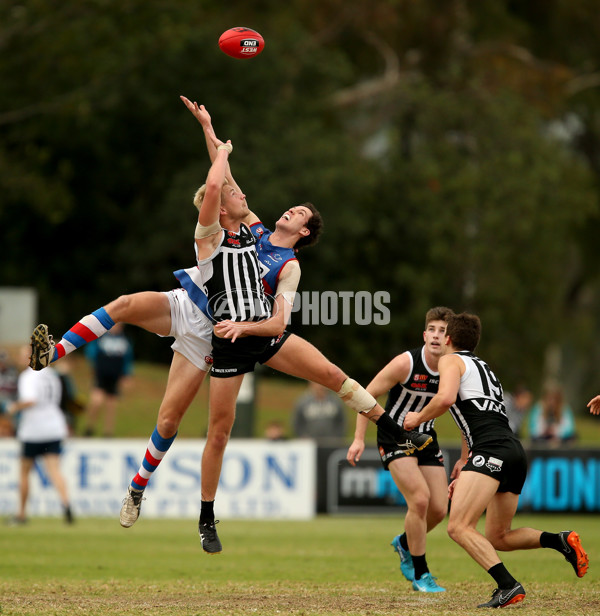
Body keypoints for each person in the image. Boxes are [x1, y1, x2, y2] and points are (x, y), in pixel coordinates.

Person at [177, 99, 433, 554]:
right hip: (230, 340)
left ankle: (394, 431)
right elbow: (223, 174)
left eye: (299, 214)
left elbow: (278, 321)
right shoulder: (251, 228)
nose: (290, 210)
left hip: (262, 334)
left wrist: (246, 327)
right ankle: (206, 517)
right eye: (292, 208)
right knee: (219, 430)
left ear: (305, 233)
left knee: (334, 376)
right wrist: (208, 127)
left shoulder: (289, 264)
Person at [403, 312, 589, 608]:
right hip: (512, 450)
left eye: (443, 333)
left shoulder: (450, 361)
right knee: (498, 536)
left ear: (449, 339)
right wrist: (466, 462)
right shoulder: (482, 366)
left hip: (492, 450)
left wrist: (417, 418)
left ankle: (508, 585)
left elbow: (446, 399)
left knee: (458, 527)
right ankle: (560, 540)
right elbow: (477, 412)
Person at [347, 306, 454, 593]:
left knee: (439, 509)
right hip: (394, 437)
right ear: (424, 334)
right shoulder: (406, 363)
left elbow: (464, 413)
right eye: (431, 329)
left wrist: (467, 457)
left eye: (442, 331)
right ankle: (421, 574)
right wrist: (359, 439)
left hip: (427, 439)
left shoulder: (454, 369)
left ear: (449, 339)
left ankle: (405, 543)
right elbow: (365, 396)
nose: (435, 335)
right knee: (419, 500)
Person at [5, 346, 74, 525]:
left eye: (23, 355)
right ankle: (66, 506)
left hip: (34, 429)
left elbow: (30, 400)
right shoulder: (51, 374)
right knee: (54, 470)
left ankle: (21, 514)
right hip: (54, 426)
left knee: (24, 471)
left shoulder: (29, 376)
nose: (21, 358)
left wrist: (14, 408)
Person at [82, 322, 134, 437]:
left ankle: (108, 432)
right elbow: (91, 352)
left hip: (115, 377)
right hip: (101, 375)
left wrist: (126, 375)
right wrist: (93, 367)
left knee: (111, 405)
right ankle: (90, 427)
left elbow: (127, 359)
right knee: (96, 402)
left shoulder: (124, 340)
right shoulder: (101, 338)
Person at [528, 381, 577, 446]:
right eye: (549, 399)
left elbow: (569, 429)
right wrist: (545, 430)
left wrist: (555, 431)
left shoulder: (565, 409)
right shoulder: (538, 408)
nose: (552, 402)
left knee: (573, 438)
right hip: (542, 439)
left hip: (560, 440)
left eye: (555, 399)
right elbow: (533, 430)